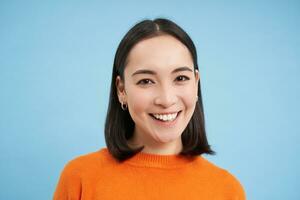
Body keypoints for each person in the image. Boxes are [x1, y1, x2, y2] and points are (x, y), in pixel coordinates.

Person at [53, 18, 246, 200]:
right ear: (122, 89)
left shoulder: (227, 190)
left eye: (180, 78)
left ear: (196, 83)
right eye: (146, 81)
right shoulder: (80, 178)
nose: (166, 99)